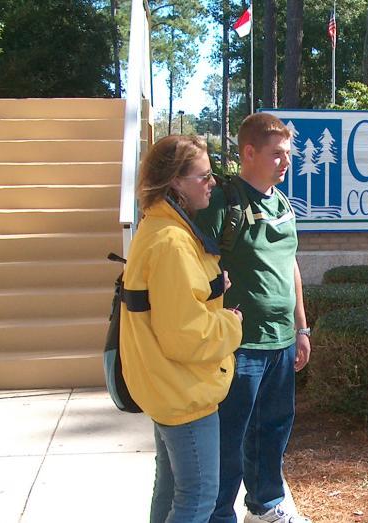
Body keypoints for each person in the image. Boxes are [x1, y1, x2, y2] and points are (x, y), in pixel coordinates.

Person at [119, 134, 244, 523]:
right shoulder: (172, 241)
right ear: (175, 181)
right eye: (204, 176)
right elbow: (185, 335)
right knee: (198, 498)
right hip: (183, 391)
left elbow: (171, 306)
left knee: (172, 490)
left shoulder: (157, 227)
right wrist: (231, 323)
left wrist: (211, 288)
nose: (212, 183)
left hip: (164, 384)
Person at [194, 113, 311, 523]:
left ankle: (264, 506)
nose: (286, 161)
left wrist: (301, 327)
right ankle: (217, 513)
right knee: (229, 437)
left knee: (273, 431)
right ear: (249, 153)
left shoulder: (282, 204)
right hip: (240, 344)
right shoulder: (221, 204)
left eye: (287, 154)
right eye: (276, 154)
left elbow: (290, 264)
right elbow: (191, 264)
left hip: (281, 342)